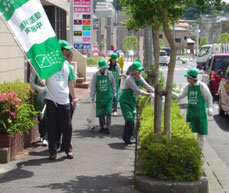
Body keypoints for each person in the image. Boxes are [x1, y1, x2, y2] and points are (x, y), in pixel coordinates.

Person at [45, 40, 77, 160]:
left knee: (67, 126)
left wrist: (73, 98)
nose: (67, 52)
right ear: (60, 50)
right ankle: (53, 151)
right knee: (52, 127)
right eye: (66, 50)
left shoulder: (67, 65)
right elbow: (42, 76)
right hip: (51, 99)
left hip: (64, 99)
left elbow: (70, 83)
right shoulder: (49, 63)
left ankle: (67, 148)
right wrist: (42, 80)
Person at [172, 68, 213, 149]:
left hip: (200, 113)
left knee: (200, 132)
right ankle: (191, 146)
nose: (187, 79)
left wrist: (210, 107)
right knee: (189, 130)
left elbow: (209, 98)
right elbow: (180, 96)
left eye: (187, 77)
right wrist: (171, 93)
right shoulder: (188, 87)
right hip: (191, 112)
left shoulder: (202, 86)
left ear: (191, 78)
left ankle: (199, 149)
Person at [119, 60, 154, 144]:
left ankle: (130, 136)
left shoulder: (140, 78)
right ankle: (126, 138)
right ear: (134, 71)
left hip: (132, 101)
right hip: (125, 101)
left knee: (131, 120)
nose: (140, 72)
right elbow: (137, 90)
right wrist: (147, 94)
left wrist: (155, 91)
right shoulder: (129, 79)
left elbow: (146, 85)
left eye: (141, 70)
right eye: (139, 70)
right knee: (129, 119)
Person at [90, 59, 116, 134]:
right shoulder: (95, 75)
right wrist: (92, 96)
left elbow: (113, 84)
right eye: (102, 68)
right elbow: (93, 86)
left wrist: (114, 93)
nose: (104, 69)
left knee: (108, 112)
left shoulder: (109, 74)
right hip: (100, 97)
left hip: (108, 96)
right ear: (99, 68)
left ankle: (107, 127)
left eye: (105, 68)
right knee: (101, 112)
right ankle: (102, 127)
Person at [30, 69, 48, 146]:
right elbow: (32, 84)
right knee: (40, 117)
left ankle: (46, 137)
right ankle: (42, 134)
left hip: (48, 96)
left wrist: (45, 88)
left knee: (47, 117)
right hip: (38, 98)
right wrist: (40, 88)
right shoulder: (35, 71)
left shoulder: (48, 70)